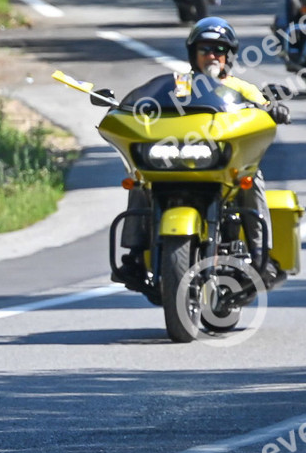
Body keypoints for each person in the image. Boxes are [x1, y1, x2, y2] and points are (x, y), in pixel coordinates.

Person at [114, 19, 288, 288]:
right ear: (193, 53)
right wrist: (127, 109)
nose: (212, 55)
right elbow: (150, 104)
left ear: (229, 55)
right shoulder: (179, 86)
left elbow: (263, 105)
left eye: (219, 49)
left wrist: (273, 108)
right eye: (205, 49)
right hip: (176, 160)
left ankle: (260, 257)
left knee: (251, 180)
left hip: (222, 164)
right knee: (139, 180)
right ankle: (134, 257)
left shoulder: (241, 88)